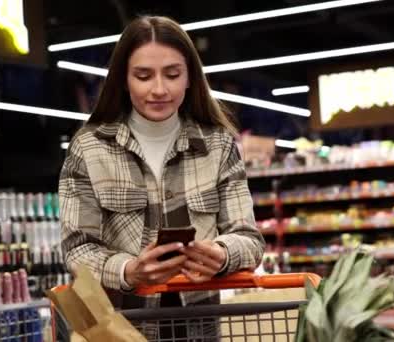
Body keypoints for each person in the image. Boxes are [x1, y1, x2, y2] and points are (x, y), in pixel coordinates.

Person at [59, 15, 265, 340]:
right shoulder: (89, 148)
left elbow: (250, 239)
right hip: (122, 325)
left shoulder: (218, 145)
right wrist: (130, 270)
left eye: (172, 74)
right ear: (124, 80)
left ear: (189, 79)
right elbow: (77, 249)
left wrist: (223, 254)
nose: (159, 89)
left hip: (201, 323)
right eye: (143, 76)